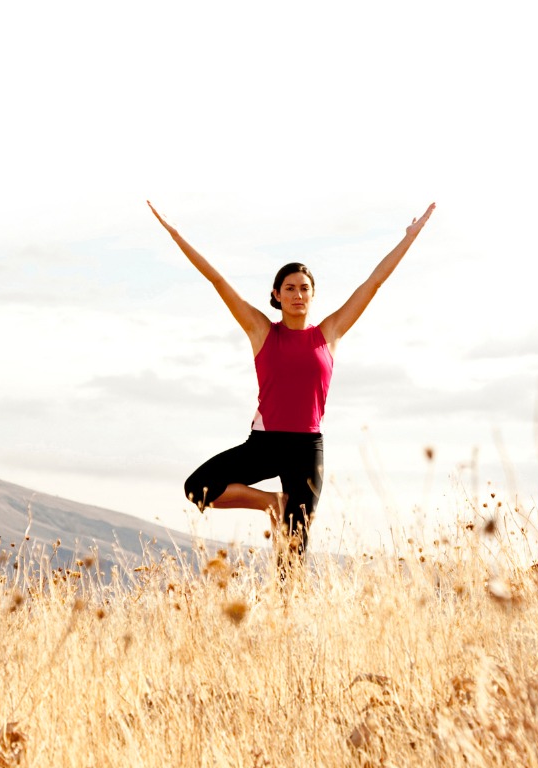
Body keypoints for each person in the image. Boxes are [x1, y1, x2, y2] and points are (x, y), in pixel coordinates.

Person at [148, 200, 436, 565]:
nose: (298, 295)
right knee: (198, 489)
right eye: (290, 288)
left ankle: (287, 610)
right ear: (276, 295)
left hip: (307, 450)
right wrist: (176, 234)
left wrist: (411, 236)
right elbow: (217, 280)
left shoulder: (329, 332)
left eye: (304, 288)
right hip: (265, 445)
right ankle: (272, 503)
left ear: (312, 294)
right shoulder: (261, 331)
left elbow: (374, 282)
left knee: (294, 550)